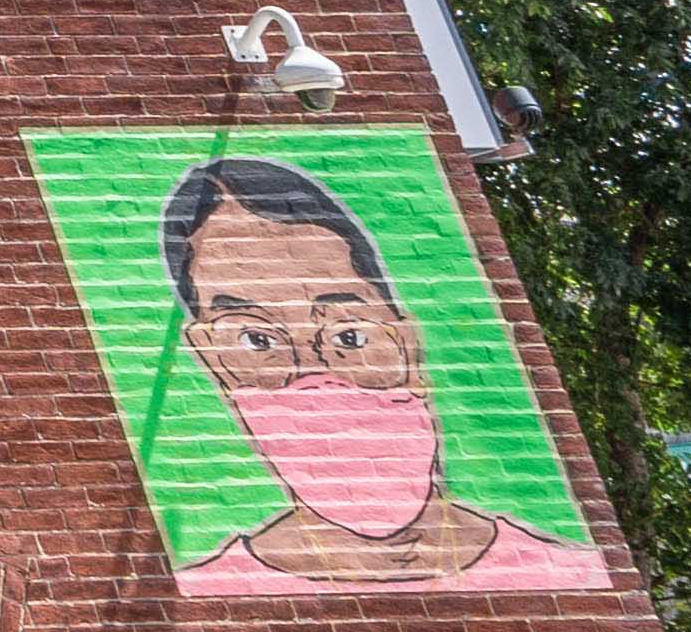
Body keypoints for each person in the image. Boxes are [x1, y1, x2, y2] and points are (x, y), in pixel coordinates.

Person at [150, 153, 604, 599]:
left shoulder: (569, 573)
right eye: (257, 340)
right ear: (214, 363)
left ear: (406, 342)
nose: (315, 378)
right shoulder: (204, 593)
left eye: (348, 336)